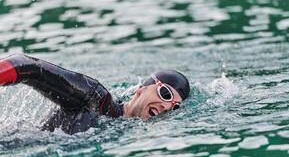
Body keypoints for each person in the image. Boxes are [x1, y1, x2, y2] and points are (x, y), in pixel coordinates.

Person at [0, 54, 190, 134]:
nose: (167, 106)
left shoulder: (125, 131)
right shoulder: (96, 99)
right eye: (165, 94)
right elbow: (30, 67)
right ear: (141, 89)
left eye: (175, 106)